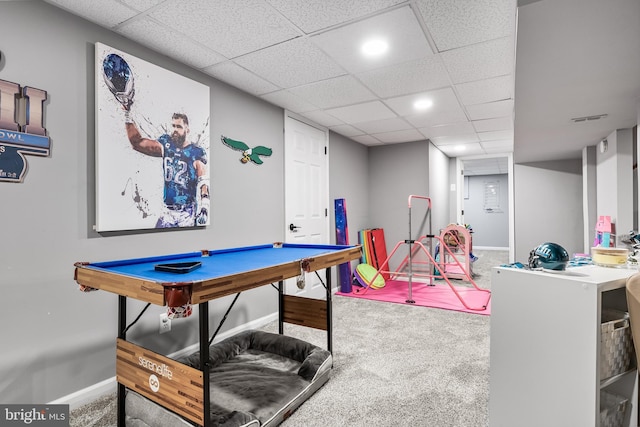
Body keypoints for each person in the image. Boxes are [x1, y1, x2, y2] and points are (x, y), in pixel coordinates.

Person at [124, 110, 209, 228]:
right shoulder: (167, 145)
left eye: (179, 126)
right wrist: (127, 114)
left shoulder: (195, 152)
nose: (175, 129)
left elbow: (203, 181)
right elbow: (137, 143)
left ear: (187, 130)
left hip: (187, 212)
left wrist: (205, 206)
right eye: (173, 126)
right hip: (167, 211)